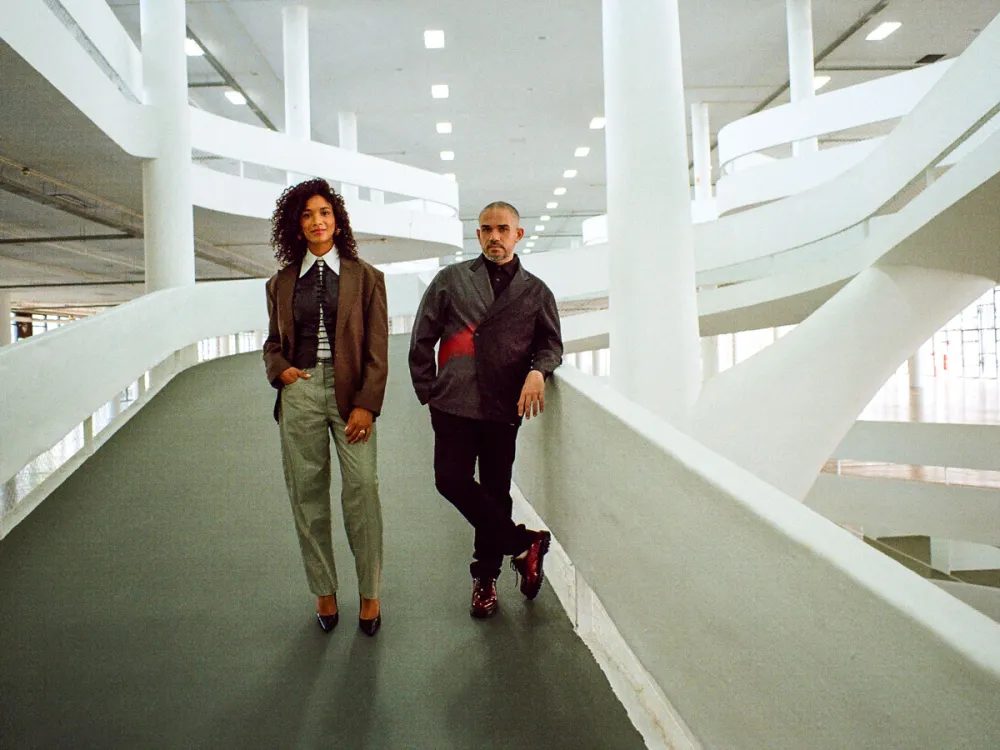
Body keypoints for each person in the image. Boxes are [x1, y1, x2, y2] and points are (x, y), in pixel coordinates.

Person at [409, 200, 563, 618]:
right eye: (486, 230)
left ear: (518, 235)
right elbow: (422, 335)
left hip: (503, 405)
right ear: (477, 236)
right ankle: (522, 544)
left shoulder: (535, 292)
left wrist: (539, 372)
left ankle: (485, 579)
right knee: (450, 480)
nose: (494, 236)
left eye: (502, 229)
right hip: (454, 403)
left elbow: (551, 344)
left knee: (495, 491)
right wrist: (430, 390)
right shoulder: (452, 280)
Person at [263, 178, 388, 636]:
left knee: (362, 490)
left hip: (351, 393)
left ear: (338, 222)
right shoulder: (279, 283)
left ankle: (370, 593)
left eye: (325, 214)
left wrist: (367, 406)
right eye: (307, 215)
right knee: (307, 495)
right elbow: (273, 342)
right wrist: (282, 371)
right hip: (300, 392)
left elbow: (377, 351)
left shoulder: (367, 278)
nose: (317, 222)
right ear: (296, 225)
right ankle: (324, 590)